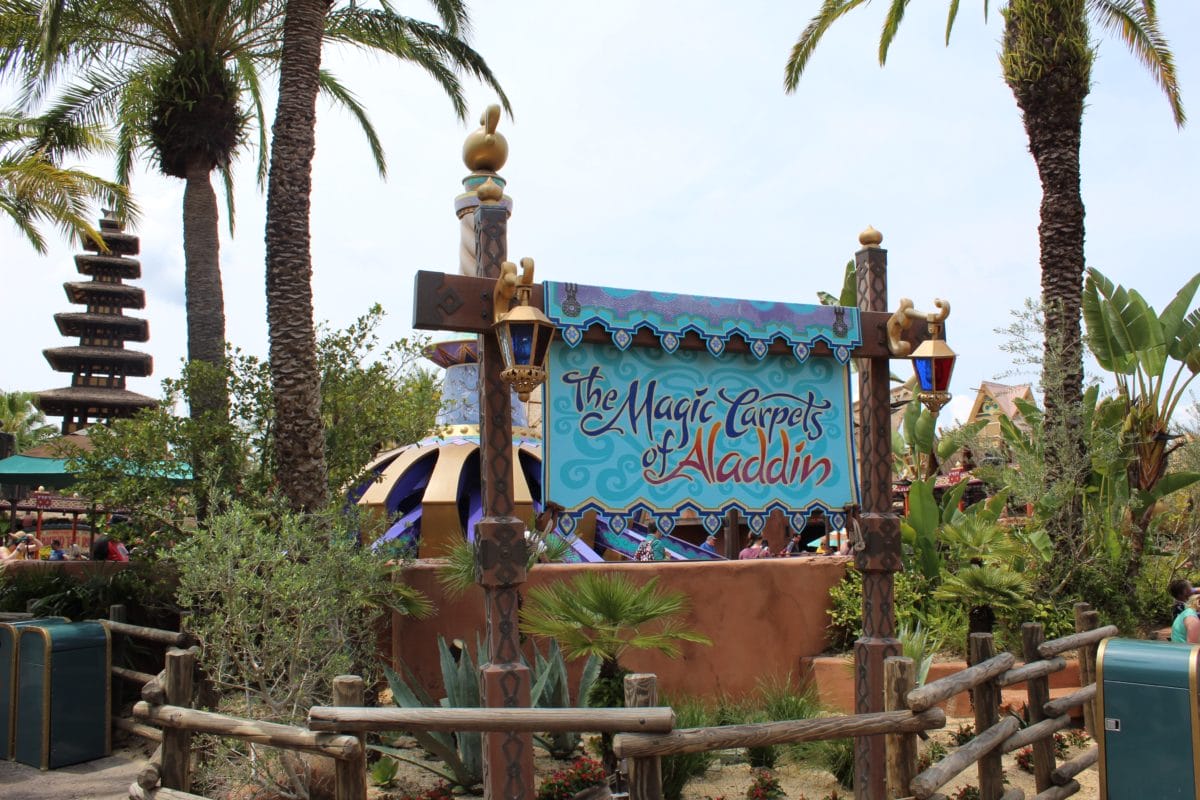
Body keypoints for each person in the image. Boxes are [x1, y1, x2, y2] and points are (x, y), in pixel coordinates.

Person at [1170, 579, 1200, 643]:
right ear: (1184, 592)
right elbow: (1193, 647)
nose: (1192, 590)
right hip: (1186, 643)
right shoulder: (1184, 609)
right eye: (1190, 588)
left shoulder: (1179, 604)